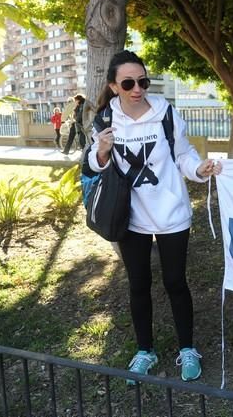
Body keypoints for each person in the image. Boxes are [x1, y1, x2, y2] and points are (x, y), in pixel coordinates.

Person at [87, 50, 222, 384]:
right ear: (114, 86)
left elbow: (183, 154)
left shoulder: (166, 114)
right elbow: (93, 163)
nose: (137, 89)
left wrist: (198, 169)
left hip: (171, 213)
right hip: (129, 217)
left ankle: (187, 348)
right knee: (138, 284)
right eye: (129, 83)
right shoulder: (105, 119)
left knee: (175, 282)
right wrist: (101, 152)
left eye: (142, 81)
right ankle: (145, 350)